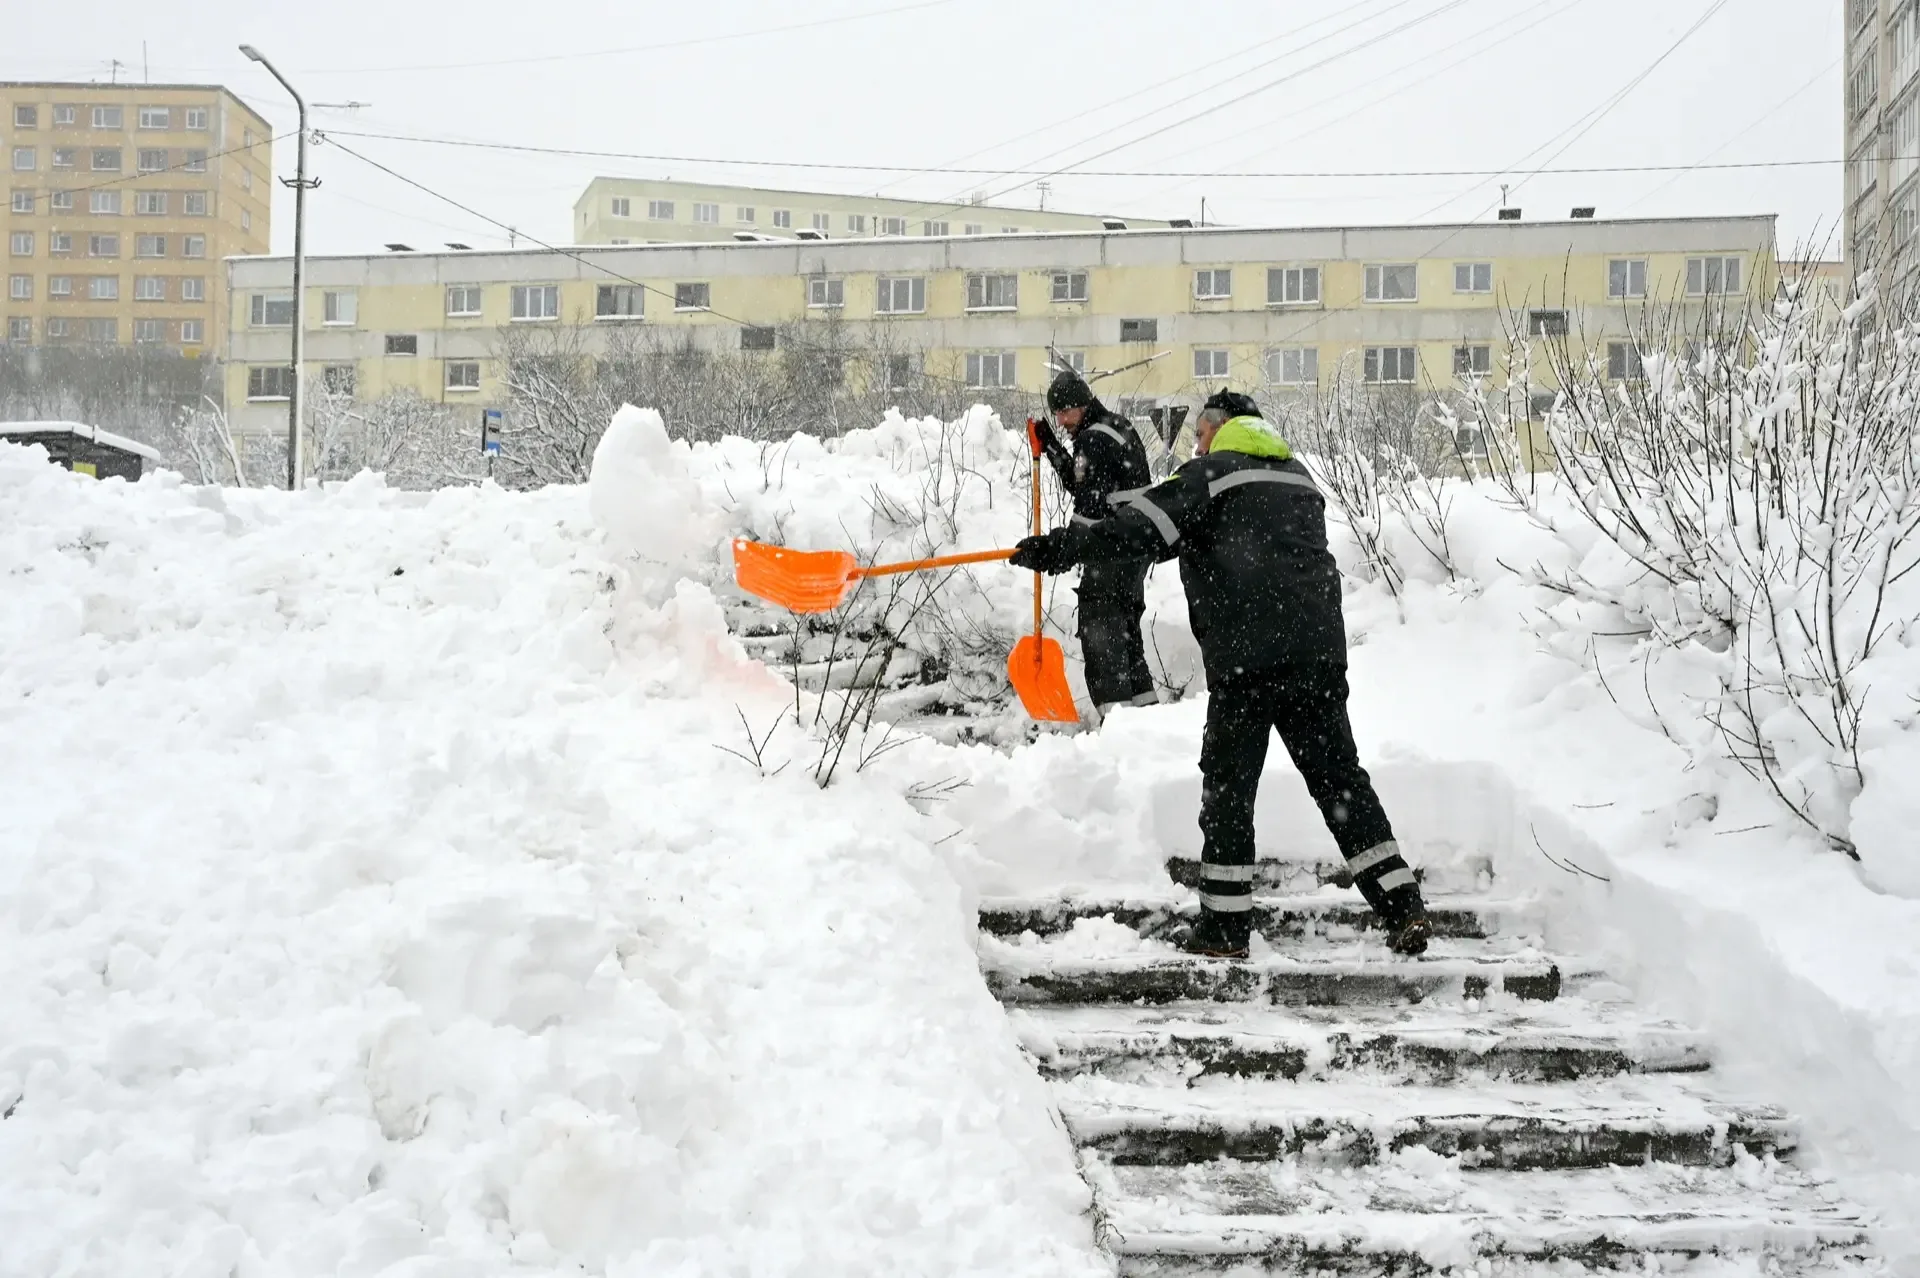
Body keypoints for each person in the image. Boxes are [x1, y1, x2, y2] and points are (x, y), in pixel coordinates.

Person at [1011, 389, 1432, 959]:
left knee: (1230, 789)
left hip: (1248, 658)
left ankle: (1226, 928)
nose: (1195, 444)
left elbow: (1137, 529)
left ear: (1220, 426)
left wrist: (1063, 547)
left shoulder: (1211, 476)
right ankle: (1403, 906)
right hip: (1315, 655)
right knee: (1340, 781)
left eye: (1200, 433)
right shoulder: (1297, 478)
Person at [1035, 369, 1157, 718]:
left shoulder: (1093, 439)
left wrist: (1060, 549)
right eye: (1056, 414)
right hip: (1135, 547)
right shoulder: (1116, 426)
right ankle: (1145, 718)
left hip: (1113, 549)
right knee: (1127, 634)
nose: (1061, 421)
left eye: (1065, 412)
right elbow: (1084, 483)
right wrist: (1052, 447)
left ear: (1082, 405)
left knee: (1101, 633)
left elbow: (1089, 509)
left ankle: (1116, 724)